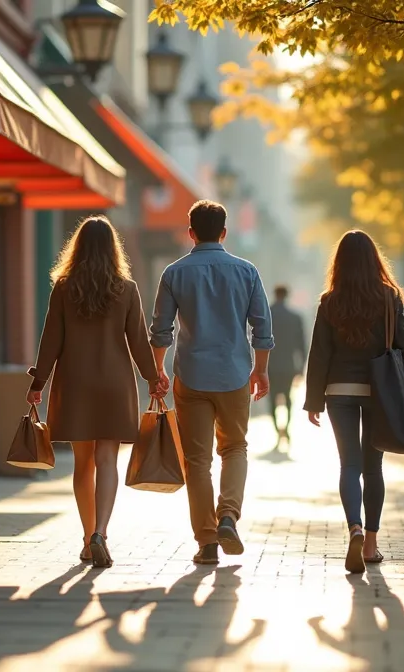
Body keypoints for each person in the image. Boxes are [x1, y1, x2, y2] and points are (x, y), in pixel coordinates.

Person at [27, 216, 168, 568]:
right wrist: (153, 378)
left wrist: (37, 383)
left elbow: (51, 340)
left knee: (83, 464)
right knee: (107, 461)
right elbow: (138, 341)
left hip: (74, 382)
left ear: (77, 247)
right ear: (112, 249)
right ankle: (101, 533)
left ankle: (87, 538)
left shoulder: (63, 287)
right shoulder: (127, 288)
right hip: (114, 384)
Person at [150, 199, 274, 565]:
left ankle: (206, 542)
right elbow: (262, 327)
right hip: (235, 374)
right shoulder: (246, 271)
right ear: (224, 232)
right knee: (235, 447)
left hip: (191, 376)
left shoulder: (174, 273)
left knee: (197, 460)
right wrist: (261, 369)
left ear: (190, 233)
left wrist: (158, 370)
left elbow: (161, 330)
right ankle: (228, 516)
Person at [303, 230, 404, 574]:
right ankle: (370, 544)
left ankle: (352, 525)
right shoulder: (389, 298)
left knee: (348, 465)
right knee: (373, 467)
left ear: (340, 263)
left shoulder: (329, 301)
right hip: (377, 391)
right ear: (373, 260)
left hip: (338, 392)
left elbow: (319, 353)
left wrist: (312, 401)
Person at [267, 285, 307, 443]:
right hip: (289, 365)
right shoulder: (295, 317)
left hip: (270, 365)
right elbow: (302, 345)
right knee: (288, 398)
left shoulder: (267, 315)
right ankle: (287, 428)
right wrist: (301, 368)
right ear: (287, 295)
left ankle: (278, 430)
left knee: (272, 399)